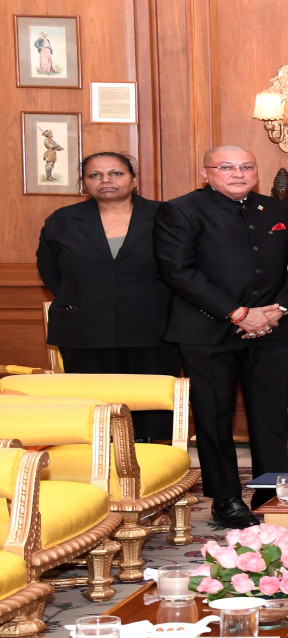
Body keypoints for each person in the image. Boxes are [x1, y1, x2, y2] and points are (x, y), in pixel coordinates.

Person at [154, 145, 288, 529]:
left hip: (274, 330)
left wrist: (278, 309)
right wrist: (238, 313)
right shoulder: (180, 210)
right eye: (226, 167)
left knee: (270, 416)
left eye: (246, 167)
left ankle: (270, 494)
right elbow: (177, 271)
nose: (238, 174)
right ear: (206, 173)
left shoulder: (281, 210)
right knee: (213, 416)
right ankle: (226, 499)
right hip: (207, 331)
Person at [36, 152, 179, 442]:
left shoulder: (167, 216)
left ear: (133, 180)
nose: (105, 180)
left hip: (153, 328)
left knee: (151, 409)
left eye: (116, 173)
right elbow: (50, 271)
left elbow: (183, 267)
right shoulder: (63, 220)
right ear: (84, 184)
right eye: (95, 175)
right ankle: (99, 461)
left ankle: (152, 459)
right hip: (85, 328)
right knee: (93, 407)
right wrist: (85, 298)